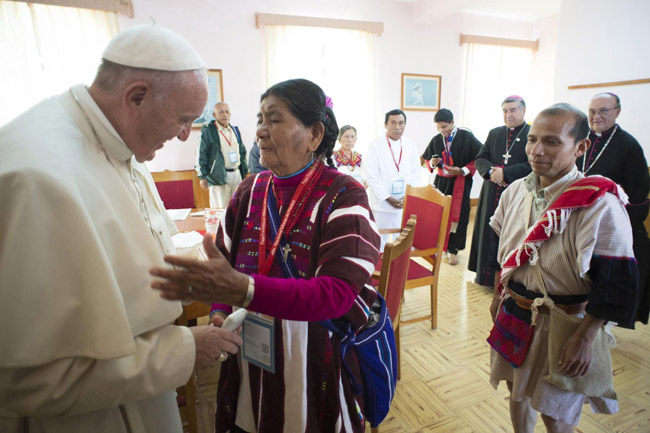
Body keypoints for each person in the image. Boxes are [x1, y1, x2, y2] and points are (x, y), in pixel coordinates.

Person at [0, 24, 242, 433]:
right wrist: (185, 350)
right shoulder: (35, 177)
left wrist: (199, 285)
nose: (186, 134)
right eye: (183, 119)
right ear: (137, 97)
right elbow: (30, 380)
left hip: (142, 401)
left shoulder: (120, 141)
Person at [150, 78, 381, 432]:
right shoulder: (249, 189)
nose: (260, 132)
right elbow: (223, 263)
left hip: (312, 362)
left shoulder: (345, 195)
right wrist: (218, 313)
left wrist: (243, 290)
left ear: (315, 134)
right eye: (259, 119)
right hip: (250, 357)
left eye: (273, 120)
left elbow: (335, 295)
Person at [488, 103, 638, 432]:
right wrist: (500, 292)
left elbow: (616, 283)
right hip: (515, 311)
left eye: (552, 142)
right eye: (532, 140)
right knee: (516, 392)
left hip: (565, 324)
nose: (536, 151)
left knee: (556, 412)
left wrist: (585, 337)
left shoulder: (599, 205)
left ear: (580, 147)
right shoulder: (515, 191)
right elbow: (505, 247)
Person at [576, 92, 650, 324]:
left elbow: (637, 194)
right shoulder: (579, 139)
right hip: (576, 217)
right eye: (592, 111)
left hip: (608, 224)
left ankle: (598, 319)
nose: (596, 116)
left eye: (603, 111)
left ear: (617, 112)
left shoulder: (629, 146)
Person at [469, 95, 532, 286]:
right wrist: (490, 172)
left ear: (523, 111)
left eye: (513, 110)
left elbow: (533, 164)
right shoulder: (495, 133)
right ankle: (485, 277)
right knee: (488, 233)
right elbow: (480, 158)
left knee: (511, 233)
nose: (508, 114)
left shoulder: (532, 134)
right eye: (505, 111)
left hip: (517, 194)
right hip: (491, 192)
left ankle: (508, 280)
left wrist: (505, 173)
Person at [421, 108, 482, 265]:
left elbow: (480, 157)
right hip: (441, 182)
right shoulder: (436, 139)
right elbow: (426, 159)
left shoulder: (466, 137)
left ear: (452, 123)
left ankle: (452, 249)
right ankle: (438, 246)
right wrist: (432, 163)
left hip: (459, 182)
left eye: (444, 126)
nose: (442, 131)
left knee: (458, 215)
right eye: (438, 127)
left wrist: (462, 170)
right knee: (438, 214)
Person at [365, 109, 422, 250]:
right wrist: (387, 197)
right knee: (380, 242)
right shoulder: (375, 144)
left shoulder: (410, 145)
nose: (397, 127)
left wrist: (408, 195)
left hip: (404, 203)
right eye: (393, 123)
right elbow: (371, 175)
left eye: (401, 123)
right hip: (382, 204)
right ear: (385, 124)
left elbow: (416, 172)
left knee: (401, 241)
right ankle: (380, 271)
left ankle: (397, 271)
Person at [197, 102, 249, 208]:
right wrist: (202, 176)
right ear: (214, 115)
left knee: (237, 207)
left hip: (236, 174)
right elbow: (201, 153)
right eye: (221, 112)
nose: (225, 115)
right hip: (218, 175)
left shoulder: (235, 130)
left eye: (227, 112)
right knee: (220, 209)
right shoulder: (208, 131)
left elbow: (242, 152)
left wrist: (244, 173)